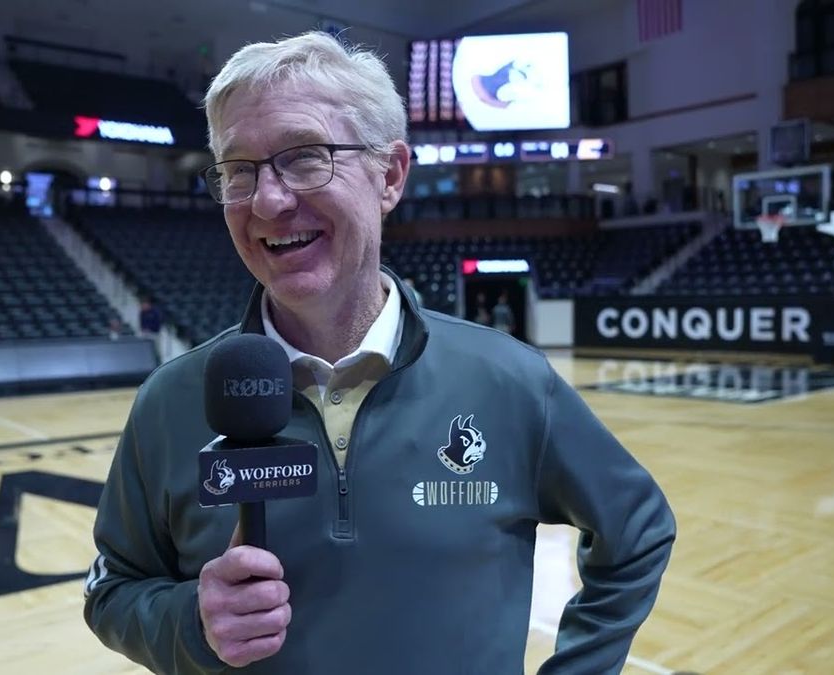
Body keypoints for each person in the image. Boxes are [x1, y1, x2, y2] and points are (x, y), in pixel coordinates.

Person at [83, 32, 675, 675]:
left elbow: (637, 531)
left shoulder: (510, 381)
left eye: (304, 157)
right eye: (239, 170)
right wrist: (190, 622)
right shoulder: (169, 402)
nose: (267, 201)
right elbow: (114, 590)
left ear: (389, 175)